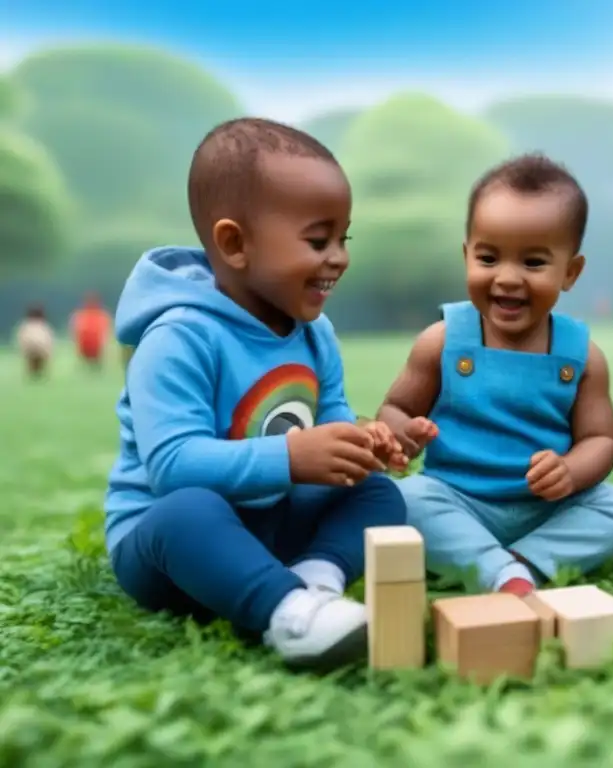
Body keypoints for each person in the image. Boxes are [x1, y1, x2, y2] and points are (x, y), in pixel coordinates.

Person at [103, 118, 408, 669]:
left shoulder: (314, 331)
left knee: (379, 496)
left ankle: (317, 577)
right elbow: (172, 467)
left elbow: (329, 418)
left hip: (271, 521)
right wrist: (292, 456)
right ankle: (289, 614)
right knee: (189, 512)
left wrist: (360, 443)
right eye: (318, 240)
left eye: (344, 238)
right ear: (235, 244)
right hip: (171, 547)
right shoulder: (179, 337)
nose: (338, 256)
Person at [376, 153, 613, 597]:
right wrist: (404, 432)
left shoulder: (581, 356)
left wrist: (571, 472)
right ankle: (502, 568)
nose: (507, 278)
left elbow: (601, 440)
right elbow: (396, 407)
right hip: (457, 499)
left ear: (570, 273)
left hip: (546, 509)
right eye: (488, 258)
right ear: (467, 257)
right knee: (402, 500)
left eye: (533, 263)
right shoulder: (443, 341)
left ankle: (514, 566)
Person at [70, 292, 112, 367]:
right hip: (92, 350)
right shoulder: (102, 316)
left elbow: (76, 334)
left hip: (90, 350)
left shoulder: (80, 316)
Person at [14, 304, 54, 380]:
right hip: (42, 350)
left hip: (29, 351)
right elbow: (49, 342)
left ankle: (32, 371)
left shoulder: (25, 326)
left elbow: (21, 342)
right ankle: (40, 372)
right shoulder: (44, 326)